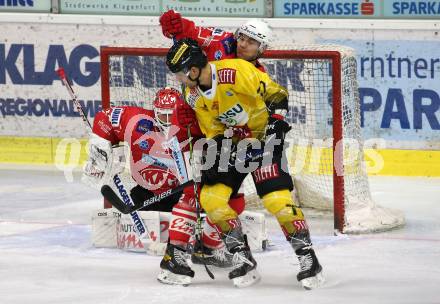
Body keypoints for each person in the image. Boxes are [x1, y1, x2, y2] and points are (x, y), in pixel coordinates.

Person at [166, 39, 324, 289]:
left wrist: (275, 125)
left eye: (180, 73)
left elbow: (278, 94)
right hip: (234, 145)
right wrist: (214, 155)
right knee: (211, 198)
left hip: (264, 139)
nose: (178, 80)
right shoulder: (192, 93)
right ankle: (241, 256)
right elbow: (213, 128)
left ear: (194, 70)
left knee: (276, 200)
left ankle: (308, 259)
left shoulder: (235, 72)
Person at [82, 87, 245, 285]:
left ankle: (206, 246)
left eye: (171, 115)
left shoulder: (192, 125)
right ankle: (185, 245)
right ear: (154, 111)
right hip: (148, 194)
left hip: (185, 194)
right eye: (162, 115)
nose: (167, 121)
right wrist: (100, 150)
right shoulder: (138, 122)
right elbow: (103, 117)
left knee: (219, 200)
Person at [159, 10, 271, 71]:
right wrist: (177, 26)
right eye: (241, 38)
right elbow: (192, 32)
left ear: (262, 49)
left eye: (251, 42)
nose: (242, 45)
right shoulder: (223, 41)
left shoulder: (259, 75)